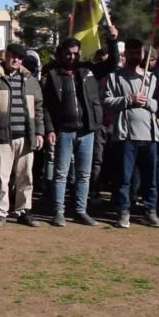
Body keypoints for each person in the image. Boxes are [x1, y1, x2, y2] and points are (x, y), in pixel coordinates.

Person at [43, 30, 118, 227]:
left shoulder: (89, 71)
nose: (72, 57)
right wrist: (50, 129)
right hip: (64, 131)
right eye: (69, 53)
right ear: (61, 53)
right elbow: (47, 107)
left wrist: (112, 41)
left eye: (76, 53)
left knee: (84, 174)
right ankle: (58, 211)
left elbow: (112, 64)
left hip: (87, 131)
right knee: (61, 172)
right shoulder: (52, 74)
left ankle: (80, 210)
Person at [0, 43, 45, 228]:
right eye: (13, 56)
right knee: (1, 177)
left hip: (26, 137)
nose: (16, 60)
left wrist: (39, 132)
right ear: (5, 56)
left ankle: (24, 210)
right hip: (1, 137)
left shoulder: (30, 80)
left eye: (19, 57)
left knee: (25, 176)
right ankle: (0, 211)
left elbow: (38, 109)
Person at [103, 39, 159, 228]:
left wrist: (147, 103)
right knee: (124, 178)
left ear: (143, 54)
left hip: (150, 135)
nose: (135, 56)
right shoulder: (115, 77)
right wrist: (130, 99)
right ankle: (123, 212)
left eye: (138, 53)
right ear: (125, 54)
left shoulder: (151, 78)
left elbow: (157, 104)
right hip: (126, 136)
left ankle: (150, 211)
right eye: (132, 53)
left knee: (150, 179)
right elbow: (107, 101)